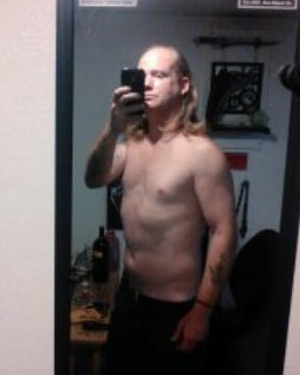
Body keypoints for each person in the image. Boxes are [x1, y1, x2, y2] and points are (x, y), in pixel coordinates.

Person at [84, 45, 237, 375]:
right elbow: (93, 178)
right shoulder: (130, 146)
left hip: (174, 310)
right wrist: (113, 128)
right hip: (129, 299)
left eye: (159, 74)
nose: (147, 82)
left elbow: (224, 231)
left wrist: (202, 311)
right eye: (142, 75)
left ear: (183, 85)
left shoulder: (202, 154)